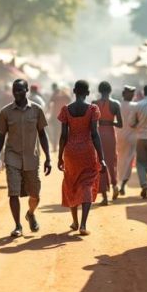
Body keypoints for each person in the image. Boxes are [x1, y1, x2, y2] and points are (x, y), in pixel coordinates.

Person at [0, 79, 51, 237]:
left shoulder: (37, 110)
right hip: (12, 157)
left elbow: (42, 134)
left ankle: (30, 214)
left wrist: (48, 158)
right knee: (13, 192)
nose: (17, 93)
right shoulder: (6, 112)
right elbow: (0, 136)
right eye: (14, 90)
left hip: (32, 158)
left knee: (35, 194)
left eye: (20, 90)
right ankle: (18, 225)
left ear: (27, 91)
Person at [57, 80, 106, 236]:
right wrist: (102, 157)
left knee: (71, 182)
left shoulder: (66, 110)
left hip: (70, 152)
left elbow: (63, 135)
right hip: (87, 151)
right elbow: (95, 134)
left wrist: (59, 157)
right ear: (88, 92)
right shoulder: (92, 109)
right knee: (87, 183)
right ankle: (83, 224)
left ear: (74, 91)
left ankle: (75, 221)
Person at [92, 81, 122, 205]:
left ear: (99, 91)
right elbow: (120, 124)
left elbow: (91, 123)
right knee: (111, 161)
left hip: (98, 134)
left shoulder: (94, 104)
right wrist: (110, 122)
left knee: (101, 162)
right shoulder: (115, 104)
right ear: (110, 91)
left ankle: (104, 196)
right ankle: (115, 185)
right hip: (110, 134)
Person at [116, 86, 137, 196]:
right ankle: (122, 183)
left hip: (119, 136)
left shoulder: (118, 105)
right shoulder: (135, 106)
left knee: (121, 159)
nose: (132, 95)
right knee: (128, 161)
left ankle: (118, 183)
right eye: (131, 93)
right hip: (130, 137)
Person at [48, 83, 72, 147]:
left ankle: (58, 146)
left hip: (61, 117)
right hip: (59, 117)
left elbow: (50, 102)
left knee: (59, 132)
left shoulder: (62, 96)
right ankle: (56, 146)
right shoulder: (61, 97)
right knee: (59, 132)